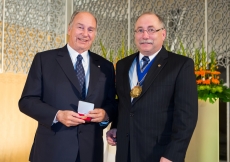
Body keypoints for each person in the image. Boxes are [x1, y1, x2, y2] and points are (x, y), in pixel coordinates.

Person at [19, 11, 116, 162]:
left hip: (90, 153)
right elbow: (27, 101)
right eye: (80, 27)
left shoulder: (105, 66)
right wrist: (57, 115)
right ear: (69, 29)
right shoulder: (44, 60)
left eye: (90, 29)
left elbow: (112, 103)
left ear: (95, 34)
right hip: (52, 151)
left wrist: (105, 114)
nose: (85, 34)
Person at [106, 12, 198, 162]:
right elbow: (124, 104)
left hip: (159, 154)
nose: (145, 35)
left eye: (151, 29)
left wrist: (173, 154)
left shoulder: (180, 65)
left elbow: (186, 117)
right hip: (125, 152)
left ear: (163, 33)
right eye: (140, 30)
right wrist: (115, 126)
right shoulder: (123, 65)